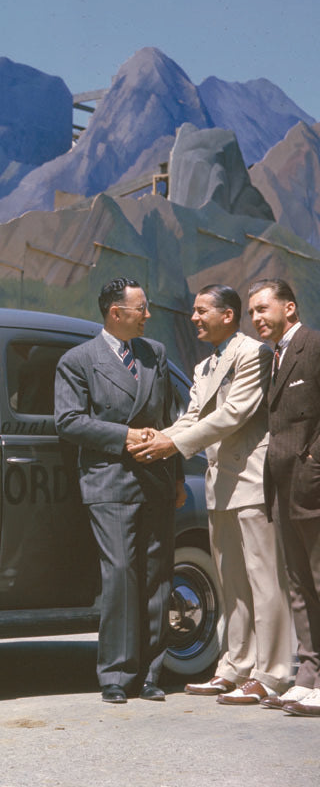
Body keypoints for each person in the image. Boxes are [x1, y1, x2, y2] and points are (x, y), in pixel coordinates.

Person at [128, 284, 292, 704]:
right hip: (221, 484)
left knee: (264, 580)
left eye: (203, 311)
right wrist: (156, 437)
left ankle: (271, 673)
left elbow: (233, 414)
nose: (195, 318)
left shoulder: (252, 354)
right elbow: (193, 416)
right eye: (194, 312)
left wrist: (172, 446)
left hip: (252, 481)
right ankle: (234, 667)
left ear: (227, 316)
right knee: (231, 581)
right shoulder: (204, 367)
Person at [54, 277, 184, 703]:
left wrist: (178, 475)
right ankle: (115, 673)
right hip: (110, 481)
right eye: (141, 308)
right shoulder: (78, 360)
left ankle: (149, 673)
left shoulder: (155, 355)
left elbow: (173, 417)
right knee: (120, 575)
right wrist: (126, 436)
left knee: (156, 578)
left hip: (158, 481)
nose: (148, 316)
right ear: (116, 312)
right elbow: (69, 421)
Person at [246, 277, 320, 716]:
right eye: (253, 311)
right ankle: (308, 675)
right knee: (298, 585)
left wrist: (313, 464)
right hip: (282, 486)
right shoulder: (271, 358)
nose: (256, 317)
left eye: (263, 308)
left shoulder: (313, 346)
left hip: (312, 485)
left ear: (289, 308)